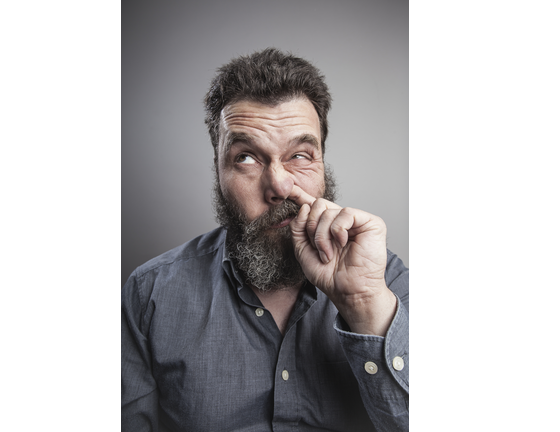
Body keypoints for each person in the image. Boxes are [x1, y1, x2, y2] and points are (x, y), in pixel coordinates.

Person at [122, 48, 409, 432]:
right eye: (246, 158)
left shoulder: (385, 281)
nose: (279, 185)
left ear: (323, 161)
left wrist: (364, 304)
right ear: (218, 170)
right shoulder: (149, 293)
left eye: (301, 155)